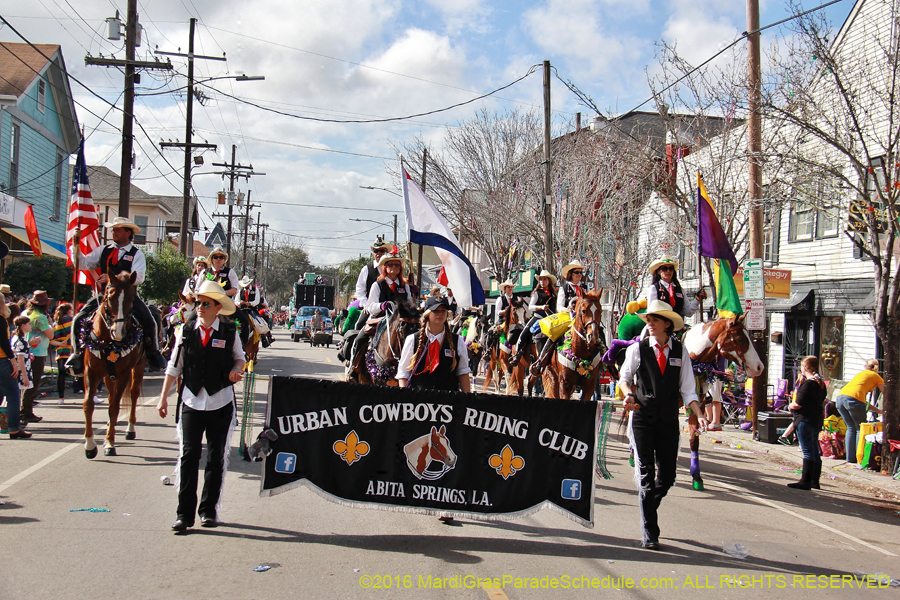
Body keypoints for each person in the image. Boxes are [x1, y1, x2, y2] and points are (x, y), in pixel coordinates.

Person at [156, 280, 245, 532]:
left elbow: (239, 358)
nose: (200, 307)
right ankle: (184, 514)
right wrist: (163, 397)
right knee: (189, 456)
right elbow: (175, 366)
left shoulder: (229, 332)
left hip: (220, 401)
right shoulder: (184, 331)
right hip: (191, 402)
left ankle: (208, 510)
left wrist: (236, 370)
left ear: (218, 307)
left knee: (216, 458)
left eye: (206, 303)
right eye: (198, 302)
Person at [619, 300, 707, 550]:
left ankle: (648, 505)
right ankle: (650, 531)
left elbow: (689, 391)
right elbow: (625, 378)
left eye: (654, 320)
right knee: (646, 476)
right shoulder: (637, 349)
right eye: (648, 320)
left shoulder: (680, 353)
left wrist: (699, 414)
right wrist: (628, 394)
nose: (650, 324)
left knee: (667, 477)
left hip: (668, 421)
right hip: (643, 420)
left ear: (667, 324)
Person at [67, 217, 167, 373]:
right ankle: (76, 354)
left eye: (117, 230)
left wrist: (113, 277)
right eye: (113, 230)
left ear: (128, 232)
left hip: (128, 297)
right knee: (78, 319)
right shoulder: (104, 250)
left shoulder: (136, 254)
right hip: (104, 296)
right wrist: (75, 244)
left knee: (150, 320)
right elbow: (83, 263)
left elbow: (139, 277)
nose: (114, 232)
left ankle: (153, 353)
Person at [351, 251, 411, 369]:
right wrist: (381, 306)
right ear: (385, 267)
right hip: (380, 319)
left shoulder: (406, 286)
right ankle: (353, 367)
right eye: (390, 264)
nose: (394, 267)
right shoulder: (377, 285)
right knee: (359, 339)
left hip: (401, 321)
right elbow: (370, 306)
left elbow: (410, 304)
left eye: (397, 265)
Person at [398, 295, 471, 392]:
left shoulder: (458, 341)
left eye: (443, 311)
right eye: (435, 311)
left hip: (449, 401)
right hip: (419, 401)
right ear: (427, 314)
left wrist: (467, 401)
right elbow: (403, 372)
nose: (440, 314)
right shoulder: (412, 340)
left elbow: (463, 373)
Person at [787, 356, 827, 490]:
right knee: (814, 449)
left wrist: (791, 406)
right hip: (816, 418)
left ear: (805, 368)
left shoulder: (808, 384)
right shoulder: (820, 383)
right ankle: (815, 480)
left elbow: (798, 404)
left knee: (807, 450)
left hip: (805, 419)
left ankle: (806, 480)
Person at [835, 359, 885, 465]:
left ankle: (850, 458)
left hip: (840, 398)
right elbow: (887, 393)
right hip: (853, 401)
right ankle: (860, 458)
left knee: (850, 427)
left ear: (866, 366)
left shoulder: (860, 375)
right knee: (859, 428)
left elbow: (862, 402)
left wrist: (879, 411)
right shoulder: (876, 376)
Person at [511, 270, 557, 367]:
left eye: (544, 279)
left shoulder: (553, 294)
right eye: (540, 280)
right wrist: (541, 307)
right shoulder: (537, 293)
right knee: (524, 333)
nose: (542, 282)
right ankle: (517, 354)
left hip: (551, 320)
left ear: (549, 280)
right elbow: (530, 306)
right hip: (538, 317)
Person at [20, 291, 53, 423]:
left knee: (26, 382)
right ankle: (25, 412)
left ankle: (24, 409)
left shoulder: (26, 313)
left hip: (26, 351)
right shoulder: (40, 317)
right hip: (38, 353)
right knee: (32, 384)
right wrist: (51, 323)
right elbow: (50, 335)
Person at [0, 293, 29, 438]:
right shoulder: (1, 319)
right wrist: (13, 361)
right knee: (13, 395)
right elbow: (4, 343)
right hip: (2, 360)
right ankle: (14, 427)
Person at [642, 256, 706, 321]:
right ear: (658, 271)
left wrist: (697, 299)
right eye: (664, 268)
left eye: (671, 268)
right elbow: (651, 311)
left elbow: (688, 312)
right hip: (660, 327)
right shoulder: (654, 288)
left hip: (678, 327)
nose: (668, 271)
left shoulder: (680, 290)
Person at [51, 303, 74, 405]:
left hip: (60, 351)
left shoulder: (56, 323)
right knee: (78, 372)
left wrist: (60, 343)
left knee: (61, 374)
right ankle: (91, 395)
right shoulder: (71, 320)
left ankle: (61, 398)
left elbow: (51, 339)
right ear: (68, 310)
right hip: (71, 350)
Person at [11, 315, 34, 397]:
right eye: (29, 324)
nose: (31, 325)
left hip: (17, 370)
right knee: (18, 396)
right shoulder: (22, 340)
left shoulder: (15, 337)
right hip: (21, 372)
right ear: (23, 326)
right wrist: (25, 377)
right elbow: (20, 359)